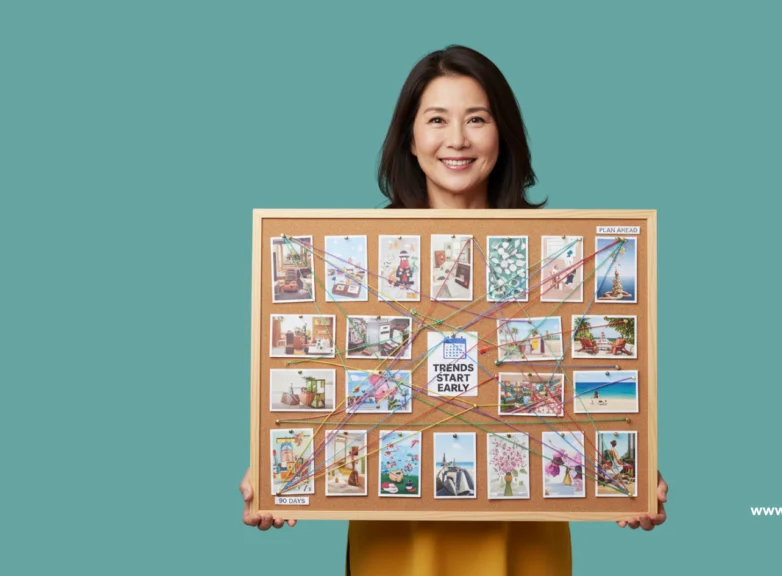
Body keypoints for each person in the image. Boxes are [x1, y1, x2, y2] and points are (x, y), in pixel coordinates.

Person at [240, 45, 668, 575]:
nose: (457, 140)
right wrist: (279, 466)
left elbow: (588, 387)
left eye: (477, 119)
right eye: (437, 119)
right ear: (411, 139)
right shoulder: (357, 262)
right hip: (396, 536)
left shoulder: (558, 254)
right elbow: (329, 387)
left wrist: (628, 469)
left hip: (524, 533)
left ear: (502, 133)